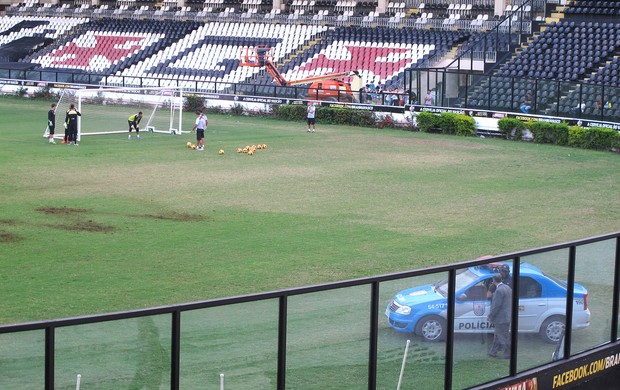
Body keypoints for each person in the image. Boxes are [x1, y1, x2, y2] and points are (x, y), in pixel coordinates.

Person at [487, 273, 512, 359]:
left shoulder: (499, 291)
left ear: (493, 280)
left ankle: (507, 353)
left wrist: (490, 315)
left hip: (501, 318)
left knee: (502, 336)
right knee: (498, 335)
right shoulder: (507, 288)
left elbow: (496, 306)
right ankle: (493, 352)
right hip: (507, 316)